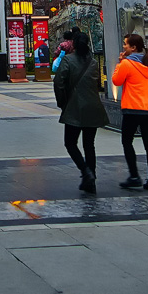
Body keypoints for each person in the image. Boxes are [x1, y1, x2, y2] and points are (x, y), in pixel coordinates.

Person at [54, 30, 107, 194]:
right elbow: (96, 83)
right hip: (93, 106)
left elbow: (58, 83)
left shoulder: (68, 60)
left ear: (74, 44)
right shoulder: (93, 62)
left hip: (75, 108)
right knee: (89, 145)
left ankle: (85, 171)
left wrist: (62, 103)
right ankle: (91, 180)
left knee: (70, 143)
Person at [112, 33, 148, 191]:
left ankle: (134, 176)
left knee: (127, 141)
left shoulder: (127, 64)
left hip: (132, 108)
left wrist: (120, 63)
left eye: (126, 44)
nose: (124, 46)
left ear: (133, 47)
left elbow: (116, 81)